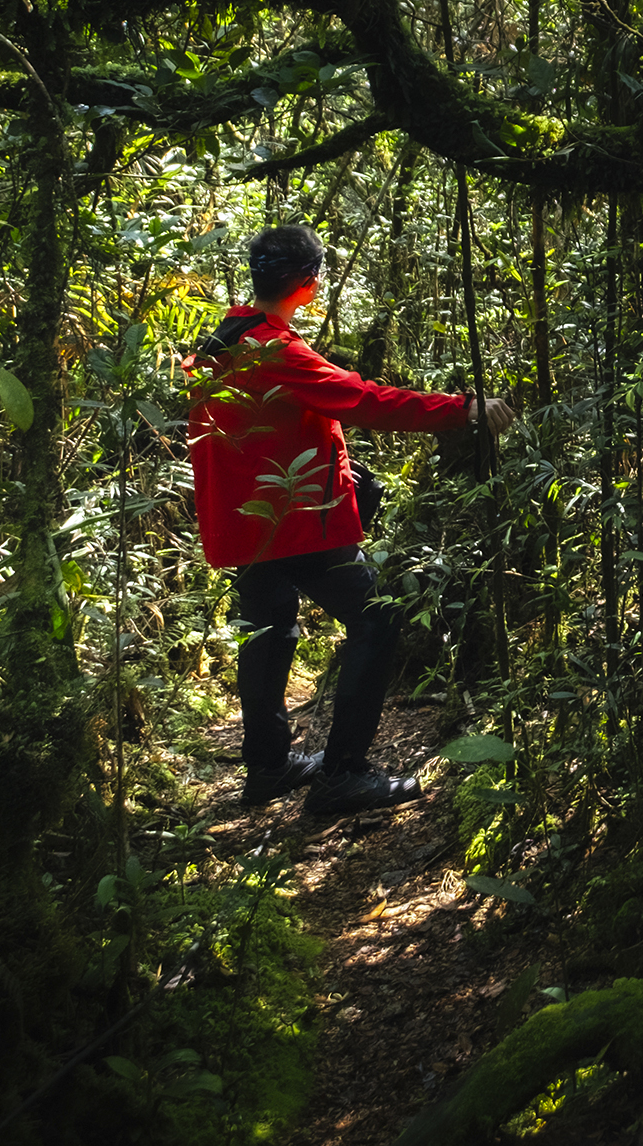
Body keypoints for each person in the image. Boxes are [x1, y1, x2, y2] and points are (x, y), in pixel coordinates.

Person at [187, 224, 513, 818]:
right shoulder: (275, 350)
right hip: (291, 523)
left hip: (247, 527)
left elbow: (255, 436)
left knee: (269, 631)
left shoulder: (218, 344)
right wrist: (460, 409)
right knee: (378, 617)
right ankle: (342, 774)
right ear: (308, 286)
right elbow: (361, 398)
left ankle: (266, 767)